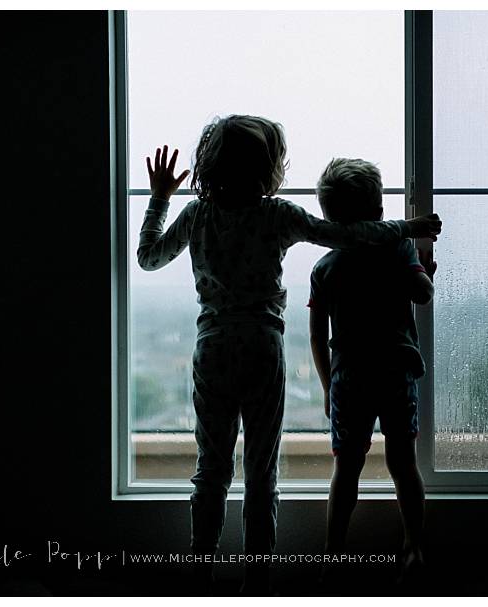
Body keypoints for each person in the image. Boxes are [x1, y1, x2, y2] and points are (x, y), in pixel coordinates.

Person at [136, 115, 442, 594]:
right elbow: (349, 236)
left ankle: (201, 576)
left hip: (212, 349)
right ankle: (256, 583)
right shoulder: (276, 215)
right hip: (262, 347)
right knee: (261, 473)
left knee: (210, 470)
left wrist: (159, 198)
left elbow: (148, 257)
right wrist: (411, 227)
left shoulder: (197, 215)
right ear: (267, 167)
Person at [308, 158, 437, 585]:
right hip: (395, 373)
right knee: (404, 464)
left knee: (346, 470)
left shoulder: (324, 269)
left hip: (349, 380)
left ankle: (333, 551)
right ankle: (414, 546)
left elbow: (317, 337)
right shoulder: (398, 249)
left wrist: (328, 388)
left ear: (329, 219)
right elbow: (422, 293)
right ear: (380, 212)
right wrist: (425, 266)